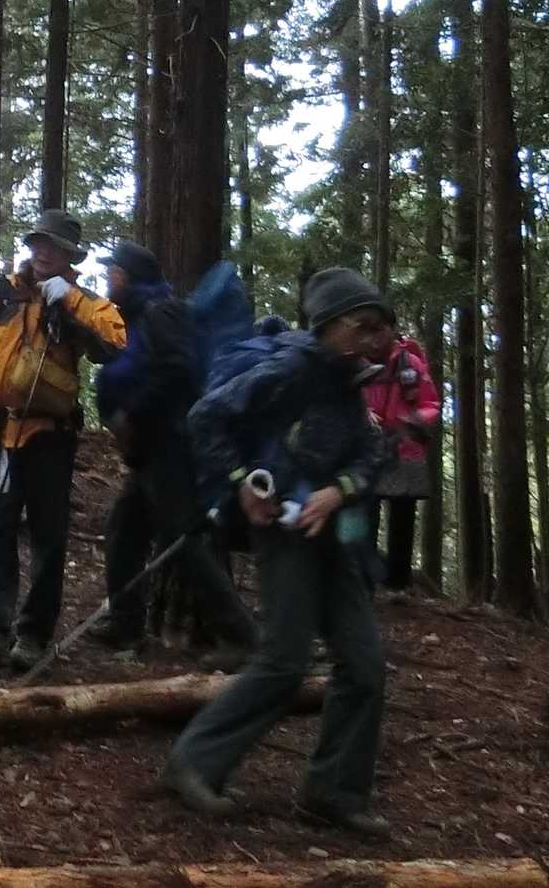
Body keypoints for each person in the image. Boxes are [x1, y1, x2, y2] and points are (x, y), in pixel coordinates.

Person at [160, 267, 392, 838]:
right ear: (329, 325)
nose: (374, 339)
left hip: (334, 535)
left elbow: (372, 453)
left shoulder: (350, 381)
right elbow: (206, 417)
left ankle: (333, 793)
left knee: (364, 665)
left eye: (381, 327)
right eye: (363, 326)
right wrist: (241, 482)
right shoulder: (287, 369)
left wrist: (340, 492)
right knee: (285, 661)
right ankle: (194, 762)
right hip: (281, 531)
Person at [0, 211, 127, 671]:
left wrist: (70, 302)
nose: (44, 252)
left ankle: (33, 635)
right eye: (38, 243)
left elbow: (114, 344)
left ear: (70, 256)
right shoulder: (1, 293)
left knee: (48, 535)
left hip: (51, 435)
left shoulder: (82, 300)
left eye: (55, 246)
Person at [88, 241, 257, 661]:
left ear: (129, 275)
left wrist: (131, 413)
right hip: (151, 446)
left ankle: (241, 637)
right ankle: (125, 623)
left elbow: (178, 370)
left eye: (114, 271)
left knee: (185, 540)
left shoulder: (160, 313)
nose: (109, 277)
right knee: (124, 530)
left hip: (170, 443)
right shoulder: (137, 314)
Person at [362, 326, 440, 590]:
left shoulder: (411, 364)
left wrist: (415, 420)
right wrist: (363, 413)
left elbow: (431, 403)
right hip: (368, 450)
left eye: (380, 330)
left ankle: (398, 585)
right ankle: (364, 580)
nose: (375, 338)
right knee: (365, 514)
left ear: (390, 330)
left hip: (405, 451)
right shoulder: (356, 361)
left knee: (402, 521)